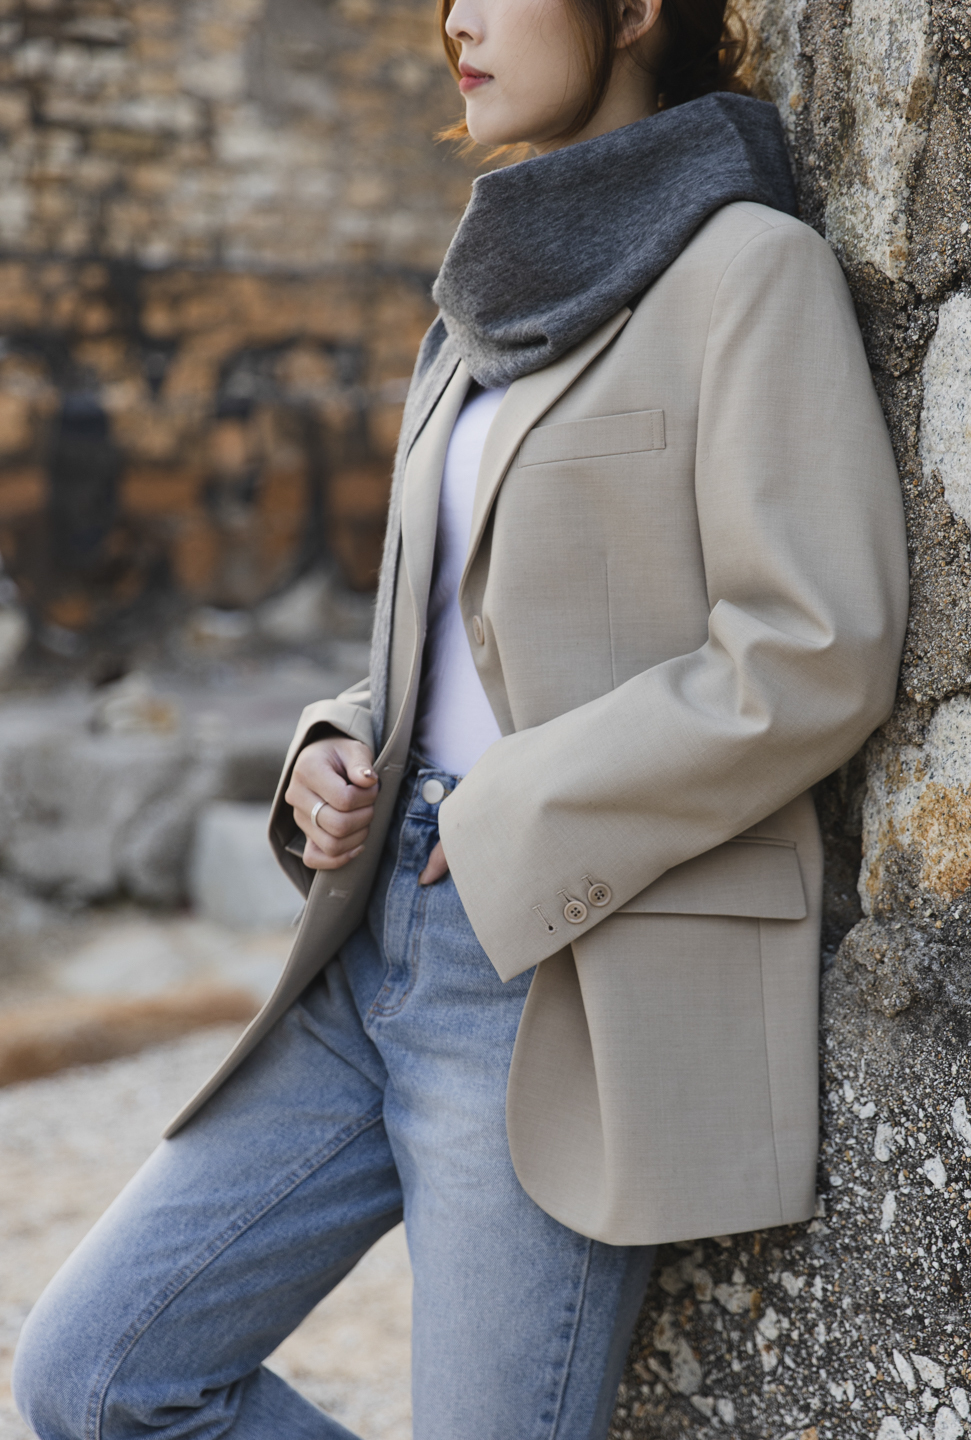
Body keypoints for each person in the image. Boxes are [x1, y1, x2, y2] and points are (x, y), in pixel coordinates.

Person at [13, 0, 908, 1435]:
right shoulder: (490, 288)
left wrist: (508, 816)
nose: (455, 20)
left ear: (634, 10)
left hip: (561, 972)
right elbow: (452, 629)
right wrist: (334, 742)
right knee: (95, 1375)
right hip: (370, 948)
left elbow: (814, 647)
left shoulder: (750, 270)